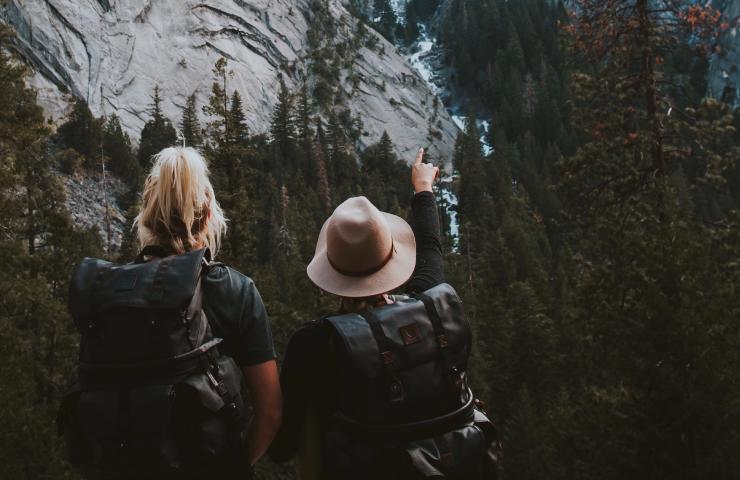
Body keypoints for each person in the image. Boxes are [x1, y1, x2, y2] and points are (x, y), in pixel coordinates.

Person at [269, 148, 499, 479]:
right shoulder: (431, 310)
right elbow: (431, 249)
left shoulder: (317, 344)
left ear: (332, 276)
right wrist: (423, 189)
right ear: (391, 259)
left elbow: (283, 446)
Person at [61, 147, 281, 478]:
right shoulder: (235, 290)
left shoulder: (112, 292)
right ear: (208, 215)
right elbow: (271, 412)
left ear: (146, 213)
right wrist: (233, 466)